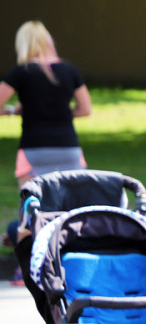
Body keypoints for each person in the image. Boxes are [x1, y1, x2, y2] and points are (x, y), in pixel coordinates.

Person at [1, 20, 91, 285]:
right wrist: (60, 112)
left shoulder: (21, 73)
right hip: (69, 149)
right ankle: (71, 268)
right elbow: (85, 109)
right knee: (72, 210)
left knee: (30, 211)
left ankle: (26, 272)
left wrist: (15, 110)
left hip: (34, 149)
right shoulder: (69, 71)